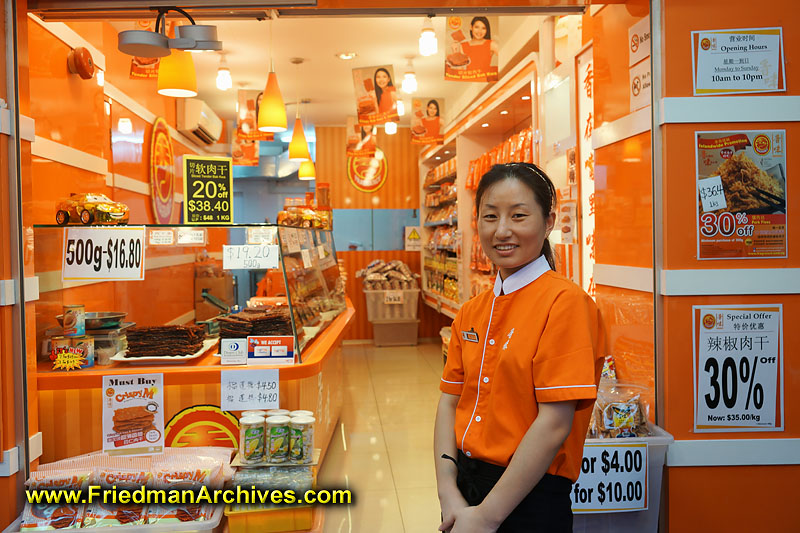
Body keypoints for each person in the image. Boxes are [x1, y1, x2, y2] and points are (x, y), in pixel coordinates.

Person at [434, 163, 605, 533]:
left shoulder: (566, 304)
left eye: (519, 216)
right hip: (465, 490)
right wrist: (448, 490)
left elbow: (554, 423)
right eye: (490, 217)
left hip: (529, 498)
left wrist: (487, 516)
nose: (502, 231)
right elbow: (450, 401)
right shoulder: (471, 311)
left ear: (549, 222)